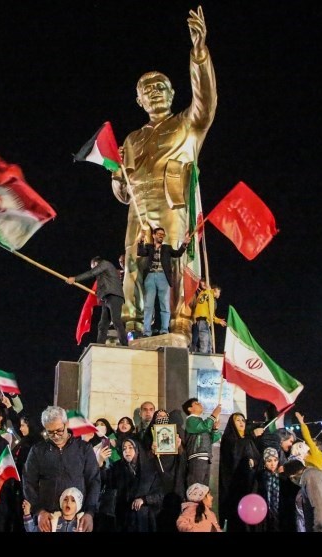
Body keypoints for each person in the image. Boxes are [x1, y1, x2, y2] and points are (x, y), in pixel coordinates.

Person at [111, 6, 217, 338]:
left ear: (172, 94)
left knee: (174, 260)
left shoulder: (187, 124)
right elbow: (122, 192)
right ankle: (133, 323)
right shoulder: (132, 138)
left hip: (172, 202)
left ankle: (178, 321)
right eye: (147, 89)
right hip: (138, 207)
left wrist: (199, 53)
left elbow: (206, 100)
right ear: (139, 100)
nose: (154, 91)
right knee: (134, 264)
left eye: (161, 86)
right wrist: (117, 177)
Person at [22, 405, 101, 532]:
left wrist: (90, 512)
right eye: (50, 432)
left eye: (59, 430)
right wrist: (39, 511)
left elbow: (94, 481)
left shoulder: (84, 449)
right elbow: (28, 482)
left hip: (77, 520)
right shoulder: (37, 451)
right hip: (48, 519)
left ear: (66, 423)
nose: (55, 436)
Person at [136, 227, 190, 337]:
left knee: (165, 304)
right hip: (150, 276)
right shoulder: (149, 246)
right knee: (148, 305)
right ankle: (147, 331)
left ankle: (164, 329)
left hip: (163, 277)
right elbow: (140, 252)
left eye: (163, 234)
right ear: (153, 235)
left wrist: (184, 244)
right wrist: (141, 240)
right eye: (159, 234)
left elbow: (177, 253)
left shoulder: (167, 248)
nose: (161, 236)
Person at [67, 256, 128, 346]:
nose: (93, 269)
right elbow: (102, 286)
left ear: (96, 263)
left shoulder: (105, 264)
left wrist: (75, 278)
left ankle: (125, 344)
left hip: (114, 296)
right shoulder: (103, 275)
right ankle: (100, 346)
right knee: (102, 324)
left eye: (93, 267)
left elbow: (91, 273)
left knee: (116, 320)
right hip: (106, 299)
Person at [219, 412, 260, 532]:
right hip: (235, 485)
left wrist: (253, 462)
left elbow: (257, 458)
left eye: (243, 420)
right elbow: (235, 452)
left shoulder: (248, 439)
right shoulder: (229, 439)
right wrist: (252, 435)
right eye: (238, 420)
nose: (241, 422)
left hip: (250, 483)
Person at [181, 398, 221, 487]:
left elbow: (211, 439)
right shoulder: (191, 420)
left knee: (204, 487)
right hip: (197, 456)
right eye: (196, 403)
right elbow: (204, 427)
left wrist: (215, 429)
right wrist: (214, 415)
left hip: (206, 456)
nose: (200, 404)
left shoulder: (200, 421)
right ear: (190, 409)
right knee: (196, 487)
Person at [189, 282, 226, 353]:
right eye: (219, 292)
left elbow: (211, 315)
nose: (219, 294)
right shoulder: (209, 294)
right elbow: (210, 314)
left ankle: (208, 356)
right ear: (215, 290)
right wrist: (208, 288)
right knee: (205, 343)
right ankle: (203, 357)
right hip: (202, 320)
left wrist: (218, 321)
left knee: (209, 344)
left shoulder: (205, 294)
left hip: (204, 321)